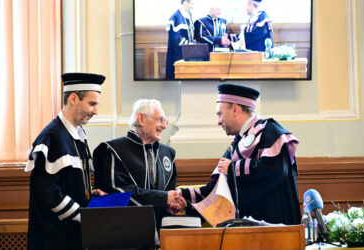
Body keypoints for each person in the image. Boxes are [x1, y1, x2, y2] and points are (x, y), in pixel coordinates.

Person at [180, 83, 301, 225]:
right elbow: (219, 188)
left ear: (235, 109)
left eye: (220, 114)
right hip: (247, 231)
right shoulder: (237, 143)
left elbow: (275, 170)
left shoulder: (270, 130)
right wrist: (182, 197)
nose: (218, 121)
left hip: (277, 229)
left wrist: (233, 169)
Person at [25, 73, 106, 250]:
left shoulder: (77, 134)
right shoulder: (52, 136)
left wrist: (89, 194)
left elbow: (68, 182)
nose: (96, 111)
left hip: (75, 234)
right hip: (55, 239)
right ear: (73, 98)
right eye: (92, 104)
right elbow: (47, 193)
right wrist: (82, 215)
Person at [93, 99, 186, 230]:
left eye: (165, 121)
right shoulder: (110, 150)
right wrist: (163, 198)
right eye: (159, 120)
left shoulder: (168, 153)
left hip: (161, 233)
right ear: (141, 119)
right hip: (122, 231)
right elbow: (116, 193)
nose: (164, 126)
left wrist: (171, 205)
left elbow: (169, 193)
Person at [165, 0, 195, 79]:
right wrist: (189, 44)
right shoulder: (175, 17)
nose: (192, 6)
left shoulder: (188, 15)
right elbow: (175, 38)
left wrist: (192, 43)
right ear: (185, 2)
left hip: (187, 52)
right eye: (191, 4)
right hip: (178, 54)